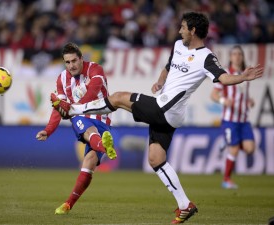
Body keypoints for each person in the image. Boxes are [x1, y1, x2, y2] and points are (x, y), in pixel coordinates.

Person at [51, 12, 263, 224]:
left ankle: (76, 110)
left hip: (166, 110)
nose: (179, 30)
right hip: (168, 112)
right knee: (155, 159)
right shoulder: (179, 45)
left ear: (193, 30)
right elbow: (168, 67)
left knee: (117, 98)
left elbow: (223, 77)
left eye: (183, 27)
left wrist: (242, 77)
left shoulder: (206, 57)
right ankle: (184, 205)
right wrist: (160, 82)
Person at [36, 42, 117, 215]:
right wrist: (48, 130)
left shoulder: (95, 69)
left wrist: (74, 107)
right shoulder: (62, 79)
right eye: (67, 62)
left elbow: (93, 91)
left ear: (81, 59)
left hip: (102, 119)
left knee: (89, 163)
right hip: (82, 118)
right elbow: (59, 109)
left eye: (74, 61)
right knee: (83, 125)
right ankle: (68, 205)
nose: (71, 65)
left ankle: (103, 145)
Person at [210, 45, 255, 189]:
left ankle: (227, 141)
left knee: (250, 149)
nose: (237, 56)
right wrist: (223, 101)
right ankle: (226, 179)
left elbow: (242, 95)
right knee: (234, 150)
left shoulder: (245, 74)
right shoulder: (225, 74)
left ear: (242, 57)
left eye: (239, 54)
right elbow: (214, 95)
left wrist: (249, 100)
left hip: (244, 120)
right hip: (230, 120)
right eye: (234, 54)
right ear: (230, 57)